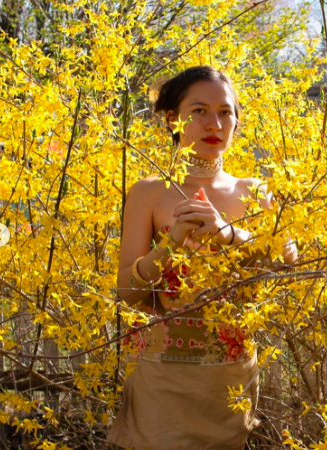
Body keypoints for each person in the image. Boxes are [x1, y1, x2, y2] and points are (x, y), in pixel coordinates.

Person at [107, 66, 297, 450]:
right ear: (174, 119)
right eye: (199, 111)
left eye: (225, 112)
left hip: (229, 378)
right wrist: (170, 244)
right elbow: (126, 293)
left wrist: (229, 233)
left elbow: (289, 263)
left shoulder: (256, 191)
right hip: (161, 380)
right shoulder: (148, 193)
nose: (214, 123)